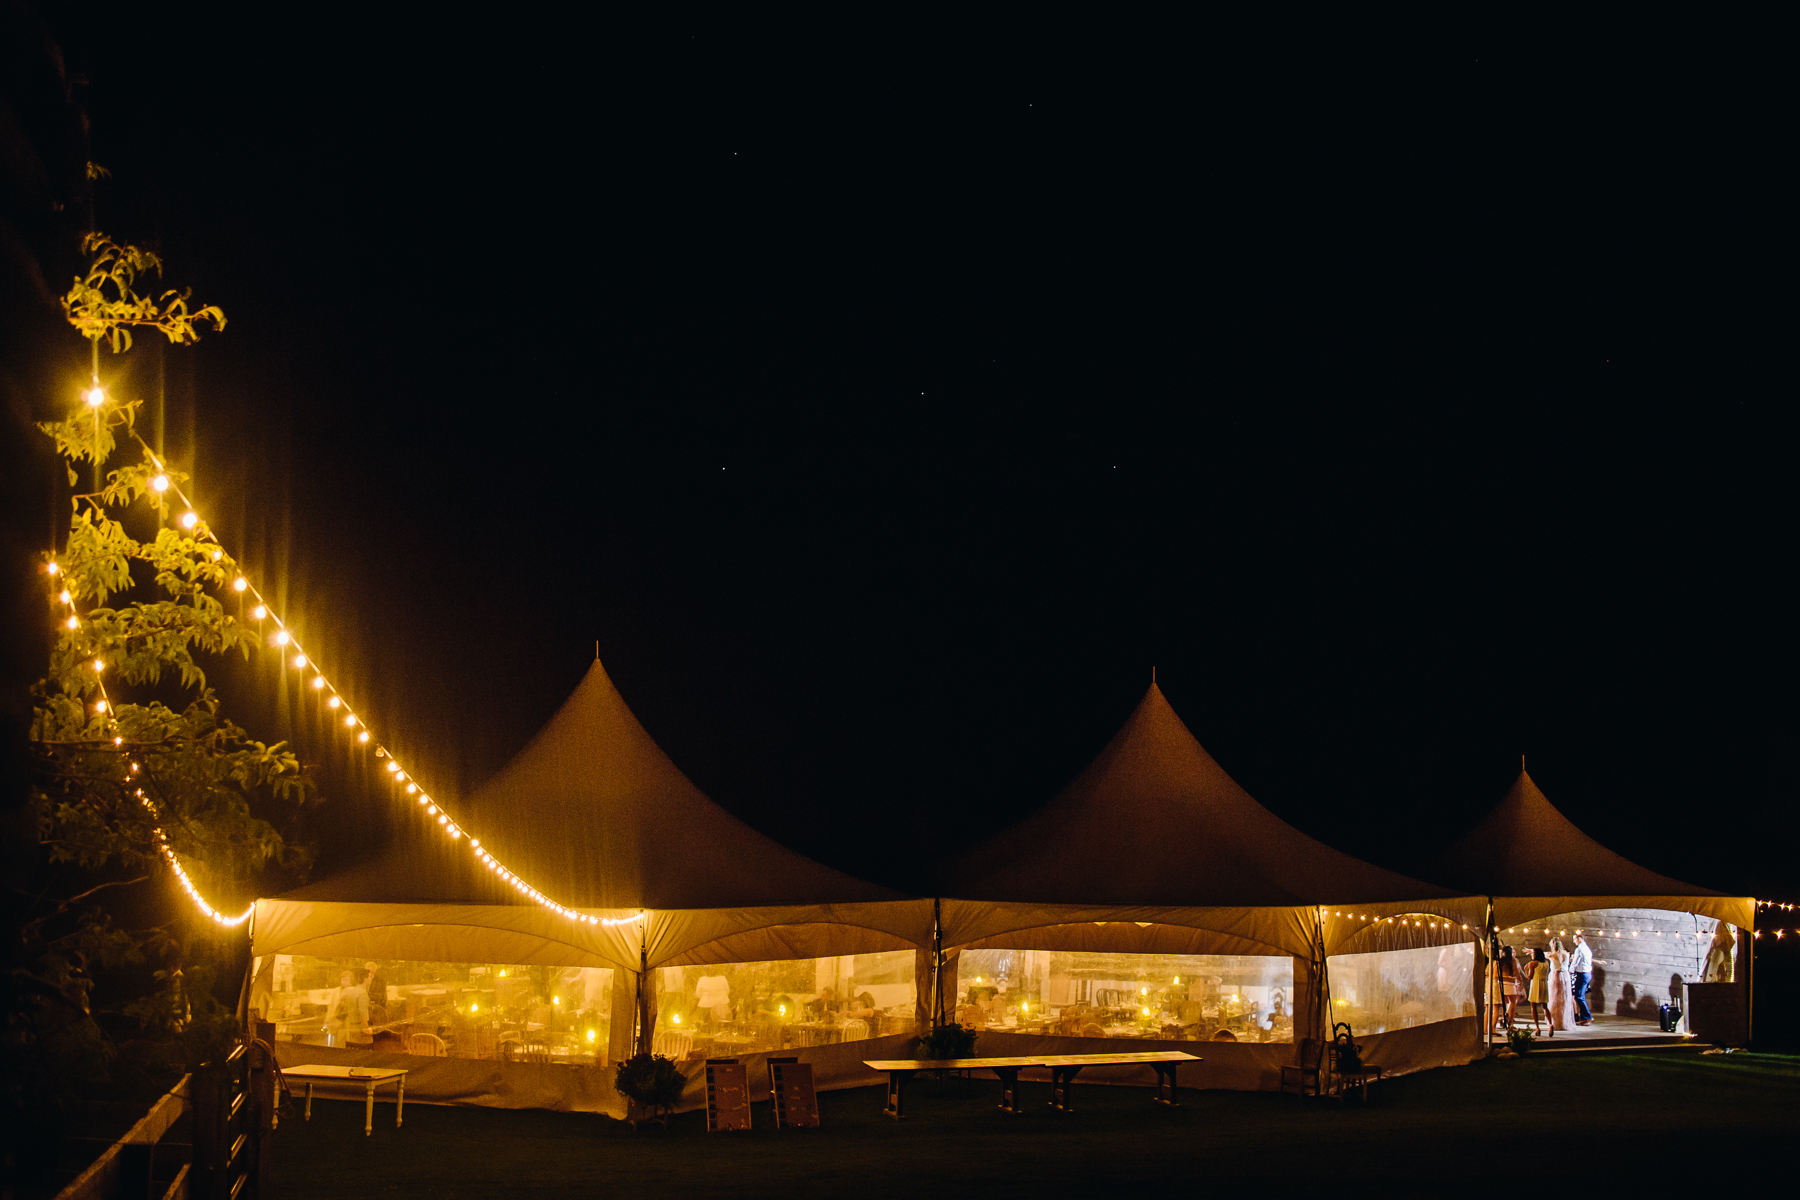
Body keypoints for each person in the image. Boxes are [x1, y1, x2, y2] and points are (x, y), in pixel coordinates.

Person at [329, 969, 371, 1046]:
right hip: (355, 1024)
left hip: (350, 1023)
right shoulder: (361, 992)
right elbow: (362, 1012)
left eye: (347, 980)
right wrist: (366, 1027)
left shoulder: (353, 990)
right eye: (370, 977)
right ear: (365, 979)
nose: (344, 981)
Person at [1546, 938, 1574, 1032]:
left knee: (1554, 999)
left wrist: (1531, 951)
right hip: (1565, 976)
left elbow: (1544, 954)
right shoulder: (1566, 954)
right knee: (1563, 999)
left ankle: (1556, 1022)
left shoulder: (1552, 954)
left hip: (1556, 975)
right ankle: (1563, 1021)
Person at [1569, 932, 1595, 1025]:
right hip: (1587, 974)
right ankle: (1584, 1018)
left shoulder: (1579, 949)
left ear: (1579, 939)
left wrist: (1570, 971)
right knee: (1579, 996)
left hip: (1582, 974)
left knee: (1579, 996)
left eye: (1574, 939)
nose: (1573, 941)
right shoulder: (1587, 948)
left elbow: (1575, 961)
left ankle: (1588, 1017)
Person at [1523, 948, 1549, 1035]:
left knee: (1533, 1006)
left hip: (1536, 984)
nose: (1531, 954)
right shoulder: (1546, 963)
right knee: (1545, 1006)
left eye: (1533, 953)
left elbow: (1530, 977)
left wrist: (1525, 970)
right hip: (1544, 984)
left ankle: (1537, 1027)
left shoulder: (1533, 963)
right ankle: (1550, 1024)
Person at [1494, 945, 1519, 1032]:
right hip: (1510, 983)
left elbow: (1496, 975)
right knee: (1513, 1002)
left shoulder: (1500, 961)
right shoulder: (1512, 961)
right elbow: (1516, 972)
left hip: (1501, 983)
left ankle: (1504, 1018)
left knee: (1504, 1003)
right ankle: (1510, 1022)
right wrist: (1515, 979)